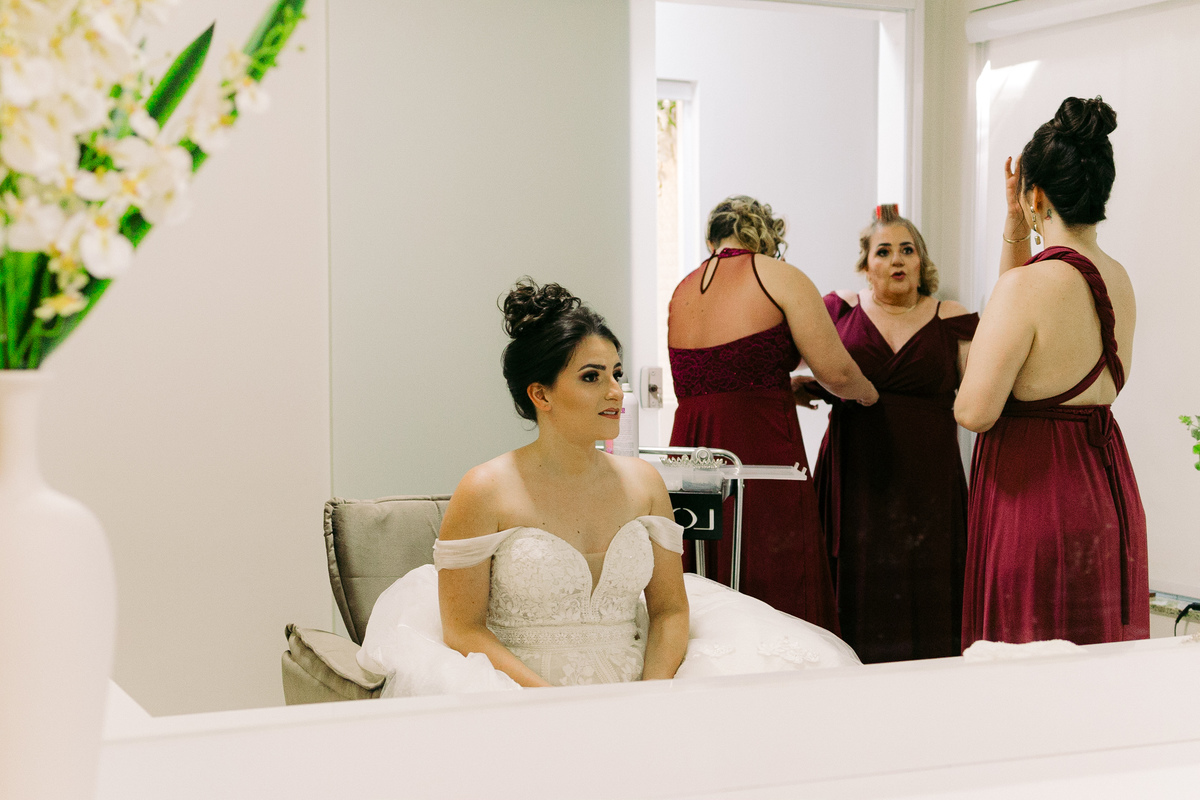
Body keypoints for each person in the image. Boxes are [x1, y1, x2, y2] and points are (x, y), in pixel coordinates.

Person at [356, 279, 861, 696]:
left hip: (637, 684)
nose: (616, 392)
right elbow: (463, 628)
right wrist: (549, 701)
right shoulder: (485, 490)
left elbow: (669, 610)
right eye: (592, 377)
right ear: (541, 394)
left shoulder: (644, 483)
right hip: (521, 692)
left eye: (616, 374)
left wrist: (648, 696)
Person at [955, 96, 1149, 647]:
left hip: (1035, 496)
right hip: (1104, 490)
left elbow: (974, 411)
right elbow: (1023, 306)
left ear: (1035, 195)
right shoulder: (1118, 277)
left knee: (1028, 666)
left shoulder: (1028, 286)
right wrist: (1017, 228)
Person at [668, 196, 878, 630]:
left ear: (711, 239)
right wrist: (870, 394)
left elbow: (721, 376)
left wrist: (781, 386)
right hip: (757, 450)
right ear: (767, 236)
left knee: (708, 576)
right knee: (771, 573)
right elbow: (837, 372)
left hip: (692, 456)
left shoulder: (682, 290)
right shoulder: (779, 276)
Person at [809, 204, 978, 663]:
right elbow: (805, 362)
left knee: (930, 577)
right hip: (856, 470)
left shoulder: (951, 316)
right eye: (883, 251)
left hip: (929, 477)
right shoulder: (840, 310)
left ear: (922, 262)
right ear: (866, 265)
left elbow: (982, 387)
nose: (897, 259)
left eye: (907, 249)